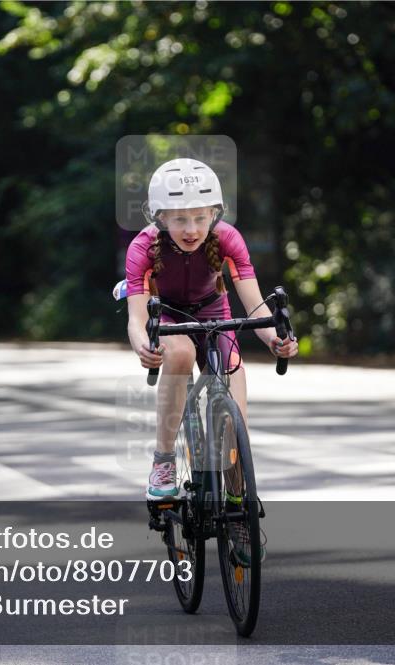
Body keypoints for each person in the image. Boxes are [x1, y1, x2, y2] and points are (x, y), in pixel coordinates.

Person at [123, 158, 298, 563]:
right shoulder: (143, 248)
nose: (191, 229)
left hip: (213, 314)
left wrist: (276, 339)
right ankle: (164, 462)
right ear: (159, 216)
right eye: (180, 219)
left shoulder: (229, 239)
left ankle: (238, 507)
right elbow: (135, 317)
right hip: (165, 316)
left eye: (201, 218)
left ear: (214, 214)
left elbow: (255, 306)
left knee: (237, 420)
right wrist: (142, 345)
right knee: (180, 351)